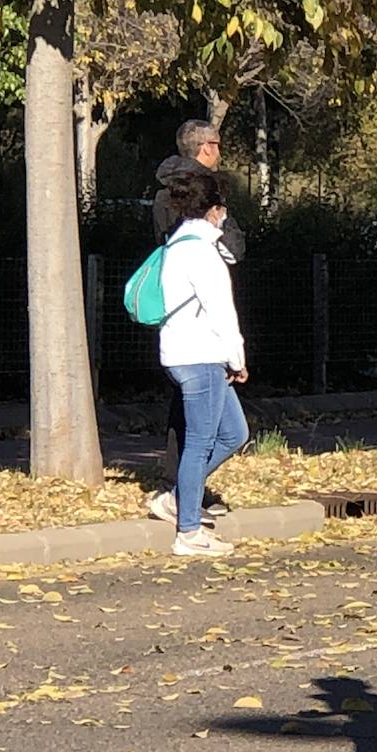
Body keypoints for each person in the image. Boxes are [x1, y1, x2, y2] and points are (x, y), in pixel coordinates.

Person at [150, 120, 245, 524]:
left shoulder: (167, 210)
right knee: (202, 437)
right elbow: (220, 301)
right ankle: (185, 518)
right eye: (217, 145)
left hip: (185, 342)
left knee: (229, 432)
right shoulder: (200, 245)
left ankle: (182, 495)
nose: (220, 152)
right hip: (201, 346)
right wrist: (237, 358)